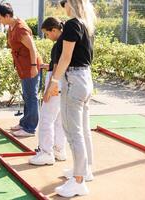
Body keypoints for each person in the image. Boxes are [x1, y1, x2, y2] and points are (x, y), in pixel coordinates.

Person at [43, 0, 96, 197]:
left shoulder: (73, 24)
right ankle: (84, 171)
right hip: (85, 79)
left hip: (73, 80)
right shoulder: (86, 23)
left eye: (63, 2)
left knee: (73, 133)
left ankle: (78, 180)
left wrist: (55, 82)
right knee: (83, 130)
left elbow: (66, 57)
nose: (62, 6)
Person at [0, 3, 41, 137]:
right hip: (22, 66)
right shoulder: (11, 26)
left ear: (7, 16)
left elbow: (32, 49)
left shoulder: (21, 29)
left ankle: (30, 128)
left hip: (30, 66)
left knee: (31, 96)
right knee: (26, 95)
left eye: (0, 18)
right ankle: (24, 123)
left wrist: (33, 67)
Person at [29, 17, 67, 166]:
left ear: (54, 30)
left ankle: (46, 152)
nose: (47, 37)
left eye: (47, 33)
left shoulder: (58, 44)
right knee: (59, 119)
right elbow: (57, 64)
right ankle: (59, 150)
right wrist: (47, 66)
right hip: (64, 81)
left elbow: (57, 67)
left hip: (56, 81)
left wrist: (50, 88)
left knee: (46, 118)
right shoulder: (66, 42)